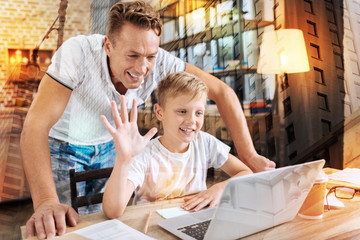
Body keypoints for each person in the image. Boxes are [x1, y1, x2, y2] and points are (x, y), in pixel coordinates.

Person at [20, 1, 275, 239]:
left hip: (111, 146)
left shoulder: (160, 62)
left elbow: (223, 92)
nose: (143, 68)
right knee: (61, 227)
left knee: (104, 227)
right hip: (62, 146)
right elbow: (35, 125)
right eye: (132, 56)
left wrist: (249, 156)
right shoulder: (77, 53)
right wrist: (45, 202)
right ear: (108, 46)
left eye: (150, 56)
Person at [102, 72, 253, 218]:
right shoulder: (145, 154)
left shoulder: (204, 142)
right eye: (182, 111)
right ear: (160, 112)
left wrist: (220, 188)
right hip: (153, 226)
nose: (192, 121)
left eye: (198, 113)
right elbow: (112, 211)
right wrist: (123, 159)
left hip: (195, 220)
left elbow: (246, 173)